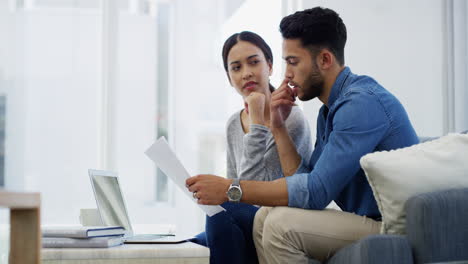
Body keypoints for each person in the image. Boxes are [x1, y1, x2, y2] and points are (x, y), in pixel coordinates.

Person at [186, 7, 419, 264]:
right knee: (265, 219)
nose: (287, 74)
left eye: (293, 62)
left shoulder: (360, 104)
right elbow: (307, 179)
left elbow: (316, 192)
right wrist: (277, 126)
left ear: (325, 60)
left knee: (279, 224)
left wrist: (231, 189)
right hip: (368, 220)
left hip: (394, 227)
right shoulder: (330, 110)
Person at [191, 31, 312, 264]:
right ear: (229, 78)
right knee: (191, 247)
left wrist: (257, 122)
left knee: (223, 212)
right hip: (245, 217)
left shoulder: (292, 118)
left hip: (278, 218)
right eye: (236, 68)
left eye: (254, 62)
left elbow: (241, 191)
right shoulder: (232, 125)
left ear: (269, 65)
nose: (246, 73)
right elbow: (235, 186)